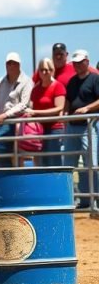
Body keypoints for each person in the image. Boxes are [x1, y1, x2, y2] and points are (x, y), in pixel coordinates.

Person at [63, 50, 99, 208]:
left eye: (80, 62)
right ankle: (81, 200)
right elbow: (68, 101)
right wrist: (64, 114)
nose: (77, 65)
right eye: (75, 62)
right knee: (69, 163)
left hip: (88, 126)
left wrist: (86, 109)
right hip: (72, 126)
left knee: (91, 164)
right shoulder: (72, 82)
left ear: (87, 61)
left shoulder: (95, 79)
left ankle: (94, 199)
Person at [0, 52, 32, 168]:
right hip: (4, 123)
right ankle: (7, 173)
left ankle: (7, 173)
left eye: (14, 63)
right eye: (9, 63)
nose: (11, 66)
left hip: (19, 122)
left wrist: (5, 115)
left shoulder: (27, 82)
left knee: (1, 147)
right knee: (5, 151)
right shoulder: (0, 82)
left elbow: (23, 105)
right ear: (5, 65)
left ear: (19, 65)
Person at [24, 58, 67, 167]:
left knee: (54, 160)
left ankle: (56, 183)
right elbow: (31, 106)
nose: (44, 72)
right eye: (42, 69)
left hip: (54, 128)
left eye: (47, 70)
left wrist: (35, 112)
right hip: (38, 130)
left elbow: (59, 108)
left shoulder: (58, 86)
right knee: (40, 161)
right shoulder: (36, 89)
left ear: (52, 71)